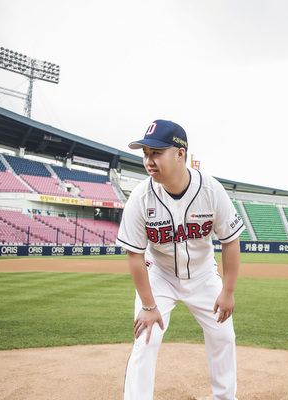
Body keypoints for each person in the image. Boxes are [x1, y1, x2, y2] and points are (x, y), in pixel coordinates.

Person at [117, 119, 245, 400]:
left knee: (223, 335)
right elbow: (135, 255)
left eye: (156, 153)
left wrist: (228, 291)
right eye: (146, 153)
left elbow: (230, 240)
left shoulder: (210, 190)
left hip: (202, 276)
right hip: (159, 276)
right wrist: (149, 305)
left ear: (180, 154)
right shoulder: (140, 197)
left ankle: (224, 398)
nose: (149, 161)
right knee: (146, 338)